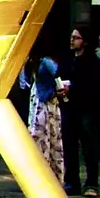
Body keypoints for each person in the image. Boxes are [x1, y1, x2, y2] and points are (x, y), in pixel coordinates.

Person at [59, 26, 100, 197]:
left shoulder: (93, 62)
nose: (72, 40)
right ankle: (72, 182)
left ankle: (92, 183)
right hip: (69, 108)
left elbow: (95, 87)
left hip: (87, 110)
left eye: (76, 37)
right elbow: (59, 76)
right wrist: (60, 89)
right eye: (72, 37)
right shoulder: (67, 59)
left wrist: (74, 90)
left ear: (84, 41)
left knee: (89, 148)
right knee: (69, 147)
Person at [26, 55, 65, 183]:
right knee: (40, 136)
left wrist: (57, 90)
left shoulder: (46, 61)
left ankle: (48, 175)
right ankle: (40, 174)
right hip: (38, 99)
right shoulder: (34, 61)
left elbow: (58, 76)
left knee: (44, 136)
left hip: (45, 102)